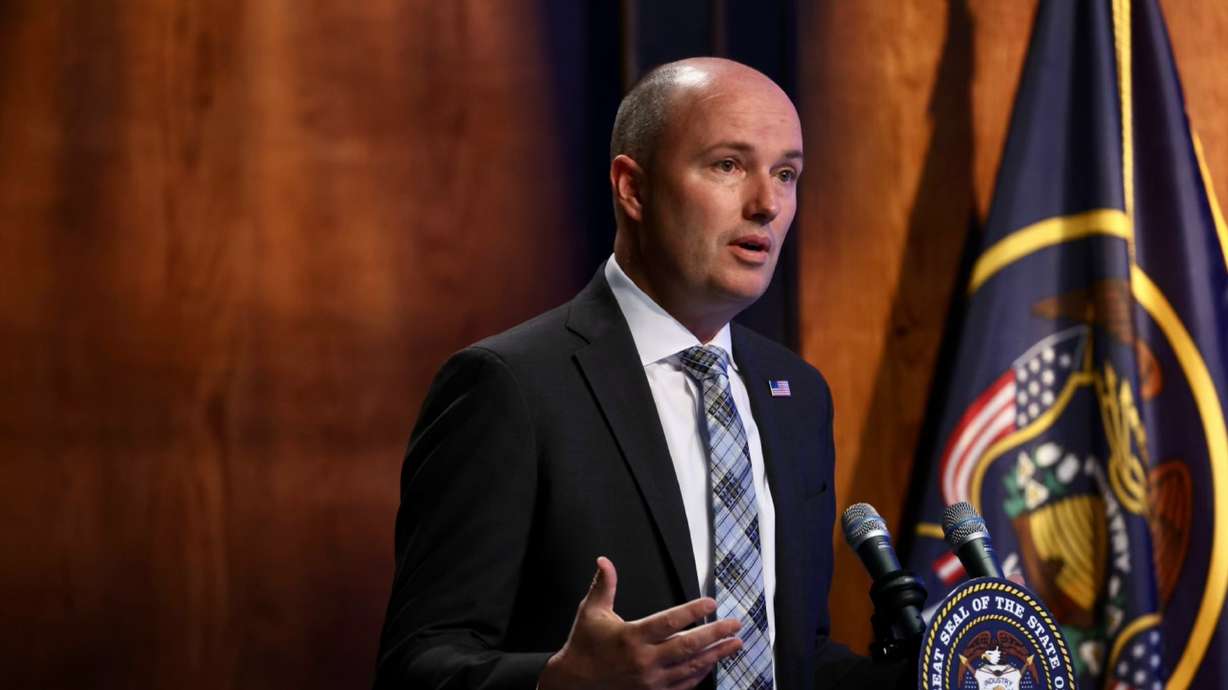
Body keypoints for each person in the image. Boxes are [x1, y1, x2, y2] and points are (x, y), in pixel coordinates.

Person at [374, 57, 904, 689]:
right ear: (633, 188)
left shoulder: (797, 393)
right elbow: (417, 666)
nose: (767, 204)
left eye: (786, 173)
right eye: (728, 165)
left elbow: (796, 656)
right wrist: (559, 681)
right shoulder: (509, 386)